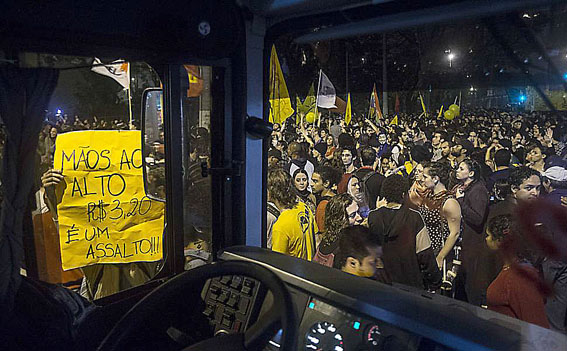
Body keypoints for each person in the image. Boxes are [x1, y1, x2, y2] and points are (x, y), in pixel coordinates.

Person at [368, 175, 441, 290]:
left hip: (380, 284)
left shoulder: (372, 217)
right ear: (403, 195)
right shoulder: (414, 218)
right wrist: (435, 282)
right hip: (410, 285)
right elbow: (425, 254)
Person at [485, 215, 550, 328]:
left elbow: (536, 325)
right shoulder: (510, 268)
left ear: (500, 241)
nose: (486, 239)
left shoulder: (521, 278)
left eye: (488, 235)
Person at [453, 159, 490, 305]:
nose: (458, 170)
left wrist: (461, 201)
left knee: (471, 283)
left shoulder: (478, 190)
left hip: (473, 243)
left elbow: (477, 218)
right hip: (465, 242)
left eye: (462, 169)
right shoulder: (464, 187)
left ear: (472, 173)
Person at [419, 162, 462, 271]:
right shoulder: (429, 195)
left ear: (435, 179)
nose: (422, 180)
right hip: (426, 250)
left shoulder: (449, 202)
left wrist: (440, 257)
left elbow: (455, 233)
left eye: (425, 177)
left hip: (439, 251)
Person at [270, 168, 318, 260]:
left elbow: (278, 262)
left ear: (271, 192)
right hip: (310, 268)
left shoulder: (280, 226)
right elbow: (317, 239)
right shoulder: (304, 207)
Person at [313, 193, 363, 267]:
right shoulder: (344, 249)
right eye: (352, 215)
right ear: (340, 220)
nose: (359, 218)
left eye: (358, 212)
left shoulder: (328, 239)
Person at [310, 165, 341, 233]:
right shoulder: (337, 198)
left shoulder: (323, 205)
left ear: (326, 183)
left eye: (315, 181)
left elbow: (321, 231)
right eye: (312, 180)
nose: (311, 184)